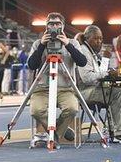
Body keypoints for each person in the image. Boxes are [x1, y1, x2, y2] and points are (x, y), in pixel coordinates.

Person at [27, 13, 87, 148]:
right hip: (42, 88)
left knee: (72, 108)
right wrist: (42, 45)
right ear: (46, 27)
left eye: (57, 24)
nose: (54, 27)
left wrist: (67, 45)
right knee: (35, 110)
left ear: (63, 26)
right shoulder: (38, 43)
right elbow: (31, 65)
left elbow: (82, 62)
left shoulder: (73, 43)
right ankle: (58, 133)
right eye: (51, 24)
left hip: (65, 88)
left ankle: (55, 134)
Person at [76, 25, 121, 143]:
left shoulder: (92, 52)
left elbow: (99, 72)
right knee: (117, 93)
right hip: (84, 92)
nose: (99, 42)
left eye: (101, 39)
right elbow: (87, 78)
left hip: (96, 88)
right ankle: (116, 132)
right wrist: (107, 73)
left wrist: (106, 64)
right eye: (96, 39)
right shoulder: (83, 51)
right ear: (87, 39)